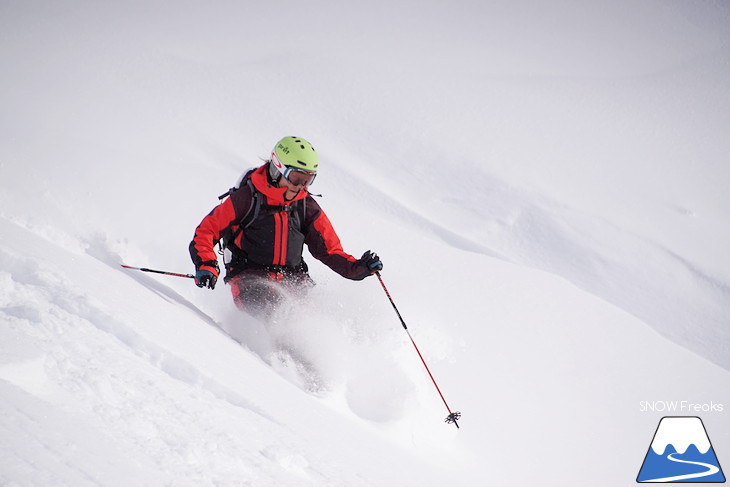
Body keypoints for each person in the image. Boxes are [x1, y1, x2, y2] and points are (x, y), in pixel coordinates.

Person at [189, 136, 383, 320]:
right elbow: (207, 231)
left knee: (314, 322)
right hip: (250, 279)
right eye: (296, 178)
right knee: (275, 321)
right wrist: (206, 264)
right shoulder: (247, 199)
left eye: (308, 180)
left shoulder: (306, 206)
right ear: (277, 169)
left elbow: (329, 250)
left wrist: (359, 268)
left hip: (293, 280)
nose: (300, 186)